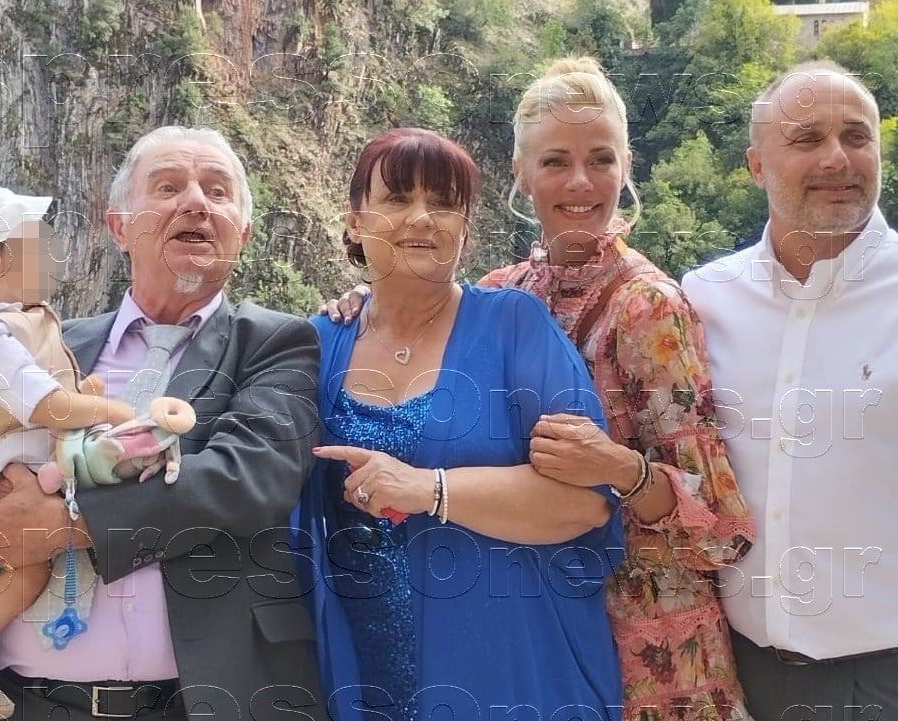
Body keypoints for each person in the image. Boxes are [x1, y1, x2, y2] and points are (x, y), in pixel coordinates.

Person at [323, 59, 756, 721]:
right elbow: (423, 299)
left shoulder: (649, 308)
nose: (580, 182)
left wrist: (621, 469)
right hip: (523, 621)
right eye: (556, 161)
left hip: (651, 644)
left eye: (600, 159)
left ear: (627, 167)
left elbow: (721, 529)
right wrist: (365, 296)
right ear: (521, 174)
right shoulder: (506, 290)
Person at [0, 126, 325, 721]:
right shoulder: (38, 349)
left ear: (242, 232)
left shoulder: (275, 343)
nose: (196, 202)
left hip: (201, 702)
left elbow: (252, 475)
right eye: (168, 187)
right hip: (20, 701)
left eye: (217, 192)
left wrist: (71, 522)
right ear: (118, 227)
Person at [301, 127, 625, 721]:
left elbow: (586, 503)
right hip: (359, 674)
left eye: (444, 203)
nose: (422, 218)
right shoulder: (319, 343)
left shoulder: (514, 327)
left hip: (510, 667)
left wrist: (429, 489)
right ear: (355, 222)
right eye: (398, 198)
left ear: (466, 228)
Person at [0, 183, 197, 718]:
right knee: (24, 568)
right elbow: (50, 407)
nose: (53, 261)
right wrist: (114, 412)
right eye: (38, 250)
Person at [682, 60, 898, 720]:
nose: (837, 158)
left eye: (856, 137)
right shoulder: (704, 298)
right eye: (807, 139)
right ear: (756, 165)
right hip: (738, 671)